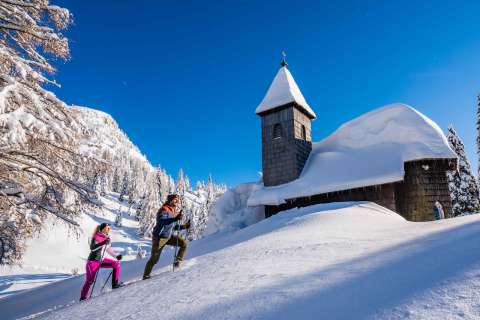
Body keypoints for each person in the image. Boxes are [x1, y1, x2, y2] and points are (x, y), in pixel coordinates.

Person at [143, 194, 191, 279]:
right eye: (175, 200)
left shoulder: (173, 211)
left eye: (177, 200)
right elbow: (162, 221)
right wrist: (175, 219)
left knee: (184, 243)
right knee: (154, 259)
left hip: (168, 236)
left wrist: (184, 226)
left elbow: (174, 226)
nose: (176, 201)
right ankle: (146, 276)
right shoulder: (164, 209)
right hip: (159, 238)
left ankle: (177, 262)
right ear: (170, 200)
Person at [80, 223, 124, 300]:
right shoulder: (96, 236)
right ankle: (83, 298)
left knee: (116, 264)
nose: (109, 230)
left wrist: (116, 256)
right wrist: (103, 243)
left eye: (109, 228)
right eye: (107, 228)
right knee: (90, 281)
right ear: (103, 229)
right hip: (93, 262)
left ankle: (115, 284)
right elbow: (92, 248)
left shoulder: (106, 238)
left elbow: (108, 249)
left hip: (101, 261)